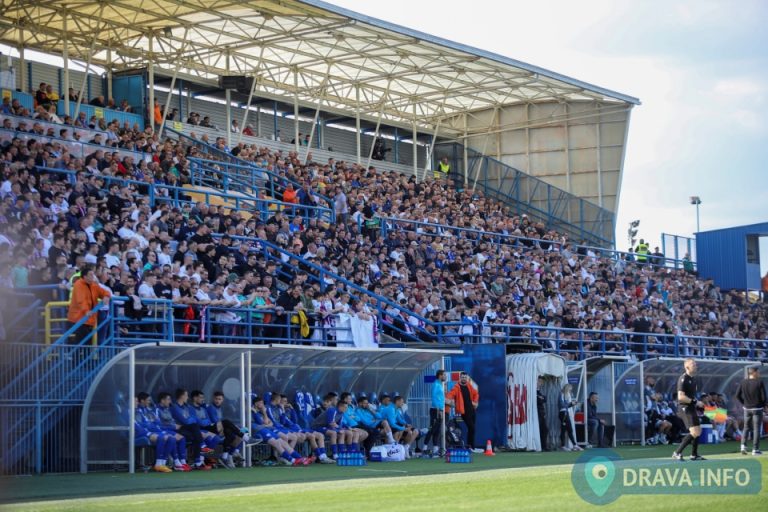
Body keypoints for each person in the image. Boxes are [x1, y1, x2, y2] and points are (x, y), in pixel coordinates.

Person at [67, 264, 111, 344]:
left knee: (87, 343)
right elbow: (81, 300)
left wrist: (106, 296)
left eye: (93, 274)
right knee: (81, 343)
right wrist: (86, 311)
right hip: (79, 319)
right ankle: (76, 356)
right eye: (90, 275)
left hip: (89, 319)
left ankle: (84, 356)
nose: (93, 276)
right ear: (84, 276)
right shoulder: (78, 284)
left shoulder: (93, 285)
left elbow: (103, 291)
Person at [673, 359, 706, 461]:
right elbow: (681, 397)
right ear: (687, 367)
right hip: (684, 408)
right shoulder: (683, 379)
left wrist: (697, 403)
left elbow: (691, 396)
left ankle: (694, 455)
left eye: (695, 364)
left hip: (691, 407)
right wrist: (696, 402)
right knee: (694, 432)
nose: (695, 366)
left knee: (698, 431)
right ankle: (677, 452)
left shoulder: (693, 379)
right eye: (693, 364)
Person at [446, 371, 481, 452]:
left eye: (465, 377)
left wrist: (475, 401)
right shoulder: (457, 387)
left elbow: (476, 394)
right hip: (464, 412)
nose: (464, 379)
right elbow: (451, 393)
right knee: (471, 428)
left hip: (472, 410)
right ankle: (471, 447)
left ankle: (471, 447)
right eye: (462, 377)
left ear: (467, 378)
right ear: (460, 378)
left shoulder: (469, 385)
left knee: (472, 429)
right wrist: (447, 398)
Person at [735, 366, 767, 455]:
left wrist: (744, 404)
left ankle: (743, 446)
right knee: (757, 429)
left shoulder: (743, 382)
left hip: (747, 409)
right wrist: (764, 406)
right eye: (758, 372)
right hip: (757, 408)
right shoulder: (759, 382)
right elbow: (764, 397)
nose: (759, 374)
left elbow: (737, 395)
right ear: (754, 373)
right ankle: (755, 449)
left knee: (746, 427)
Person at [424, 369, 448, 457]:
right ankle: (424, 448)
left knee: (437, 429)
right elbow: (433, 397)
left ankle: (435, 448)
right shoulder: (436, 384)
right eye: (444, 375)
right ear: (440, 375)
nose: (445, 376)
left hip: (440, 409)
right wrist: (438, 409)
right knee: (432, 428)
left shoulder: (440, 384)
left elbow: (440, 398)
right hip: (435, 410)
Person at [558, 383, 581, 451]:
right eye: (569, 390)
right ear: (567, 389)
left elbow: (566, 405)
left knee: (568, 430)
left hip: (565, 413)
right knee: (564, 429)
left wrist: (572, 404)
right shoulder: (561, 394)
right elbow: (562, 405)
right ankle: (564, 445)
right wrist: (570, 404)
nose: (570, 391)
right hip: (563, 413)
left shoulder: (565, 395)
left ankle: (574, 444)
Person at [536, 377, 549, 451]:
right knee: (541, 429)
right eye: (540, 381)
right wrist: (541, 398)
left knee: (545, 429)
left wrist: (542, 398)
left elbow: (545, 399)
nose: (541, 383)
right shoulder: (534, 391)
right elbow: (539, 400)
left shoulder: (539, 391)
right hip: (537, 413)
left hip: (541, 413)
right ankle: (541, 446)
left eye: (541, 382)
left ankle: (544, 446)